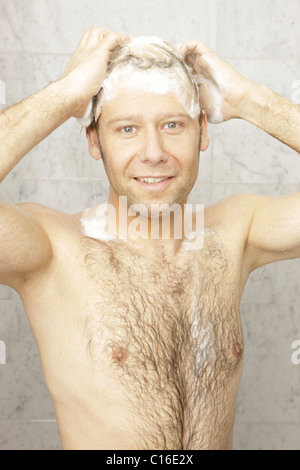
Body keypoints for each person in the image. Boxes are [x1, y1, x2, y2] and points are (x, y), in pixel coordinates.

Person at [0, 26, 299, 451]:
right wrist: (65, 95)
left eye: (173, 125)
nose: (154, 152)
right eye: (127, 129)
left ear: (202, 131)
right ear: (93, 140)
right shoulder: (51, 251)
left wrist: (251, 101)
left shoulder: (236, 233)